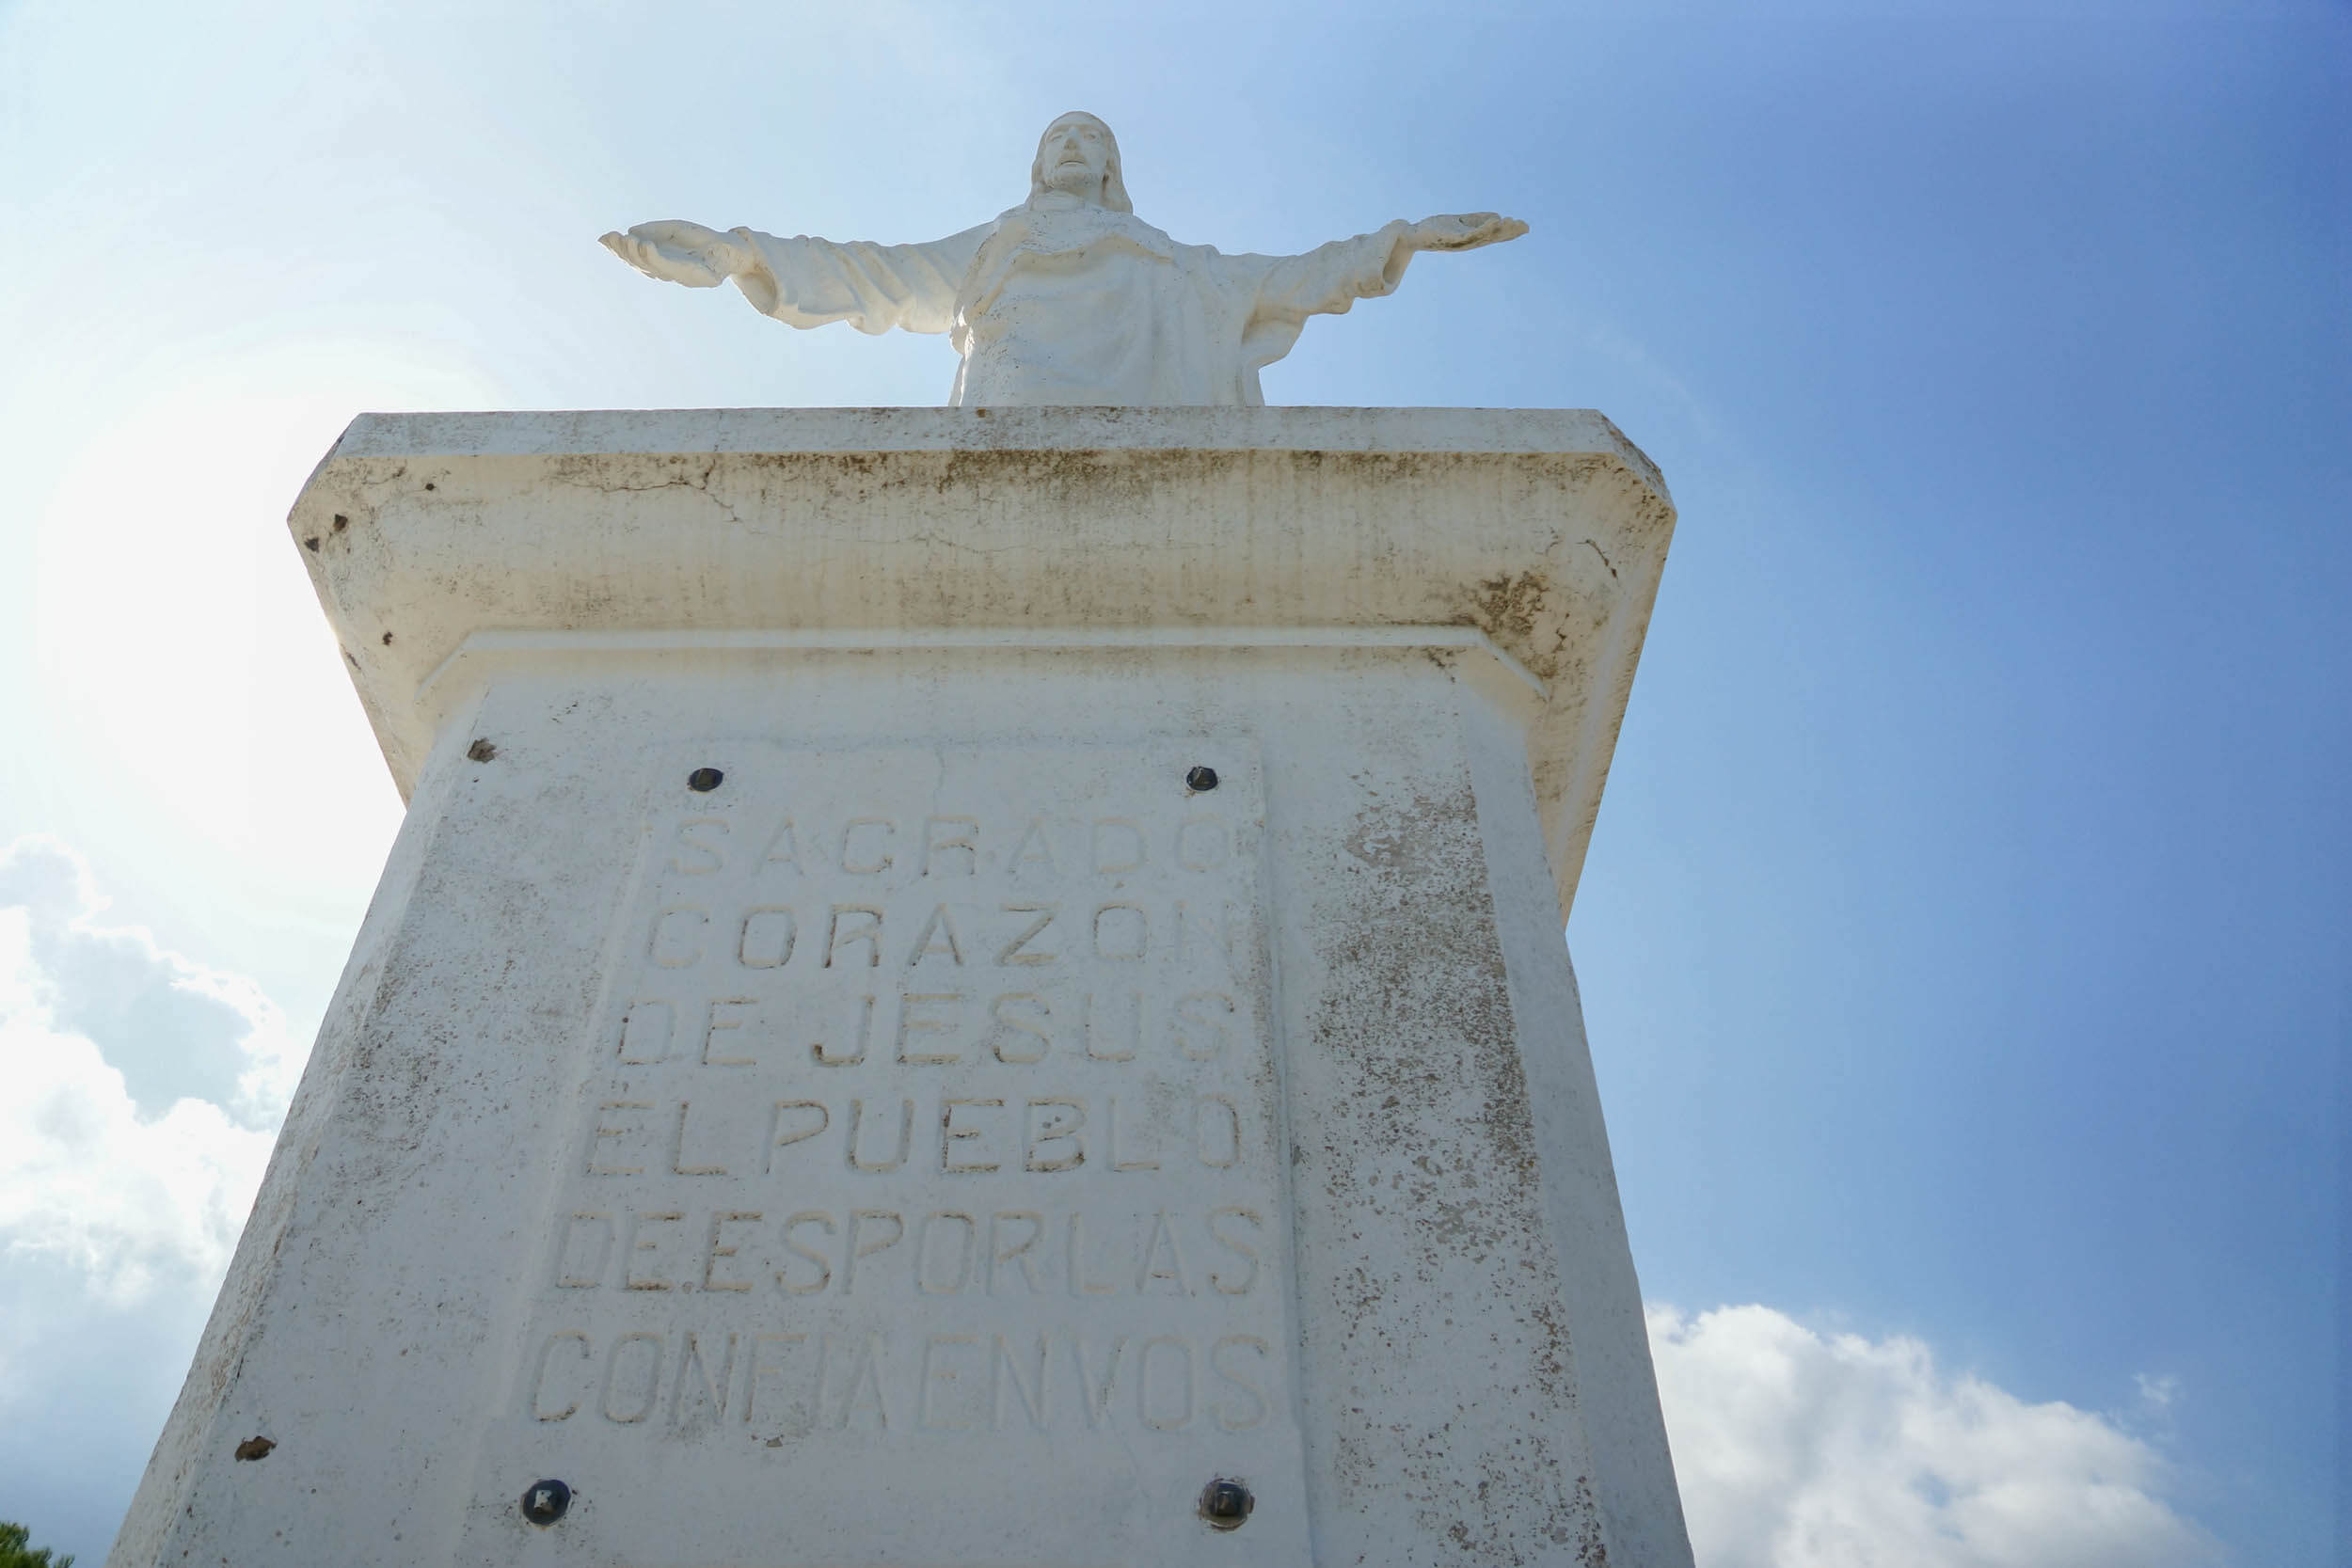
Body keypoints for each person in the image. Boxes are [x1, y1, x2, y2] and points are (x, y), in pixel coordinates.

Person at [602, 111, 1526, 406]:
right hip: (1013, 406)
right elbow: (878, 274)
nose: (1074, 147)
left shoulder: (1171, 261)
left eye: (1091, 140)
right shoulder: (996, 247)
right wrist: (738, 254)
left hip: (1150, 419)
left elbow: (1282, 279)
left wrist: (1399, 240)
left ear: (1112, 169)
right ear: (1038, 165)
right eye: (1059, 139)